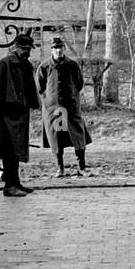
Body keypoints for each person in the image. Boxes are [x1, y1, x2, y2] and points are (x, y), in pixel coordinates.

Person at [0, 32, 40, 196]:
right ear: (15, 47)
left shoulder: (26, 65)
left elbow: (29, 89)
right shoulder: (4, 64)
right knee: (8, 150)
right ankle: (9, 186)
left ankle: (16, 183)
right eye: (23, 48)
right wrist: (3, 112)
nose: (26, 52)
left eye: (29, 49)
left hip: (19, 116)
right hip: (5, 118)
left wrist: (31, 103)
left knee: (16, 151)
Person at [37, 36, 92, 177]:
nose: (58, 50)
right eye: (55, 48)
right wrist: (50, 101)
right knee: (56, 138)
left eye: (60, 47)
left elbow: (79, 84)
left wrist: (71, 97)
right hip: (53, 109)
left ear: (64, 49)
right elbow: (40, 87)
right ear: (51, 50)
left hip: (71, 107)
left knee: (78, 136)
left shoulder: (72, 65)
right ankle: (59, 168)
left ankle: (82, 167)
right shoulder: (44, 67)